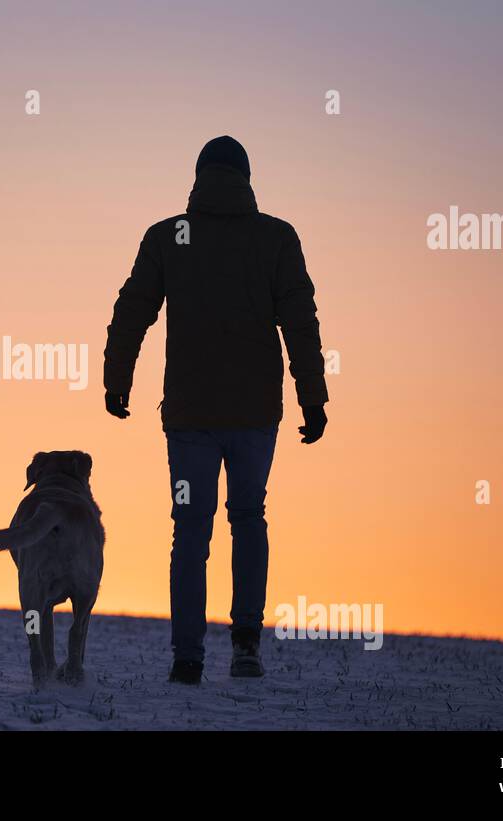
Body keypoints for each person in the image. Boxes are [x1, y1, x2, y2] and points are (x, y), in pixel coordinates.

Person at [103, 136, 329, 685]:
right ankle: (247, 643)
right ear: (247, 178)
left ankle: (187, 658)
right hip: (255, 415)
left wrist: (117, 378)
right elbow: (300, 323)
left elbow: (133, 309)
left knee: (190, 531)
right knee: (249, 517)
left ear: (199, 176)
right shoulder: (276, 237)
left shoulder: (169, 237)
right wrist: (313, 398)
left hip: (188, 416)